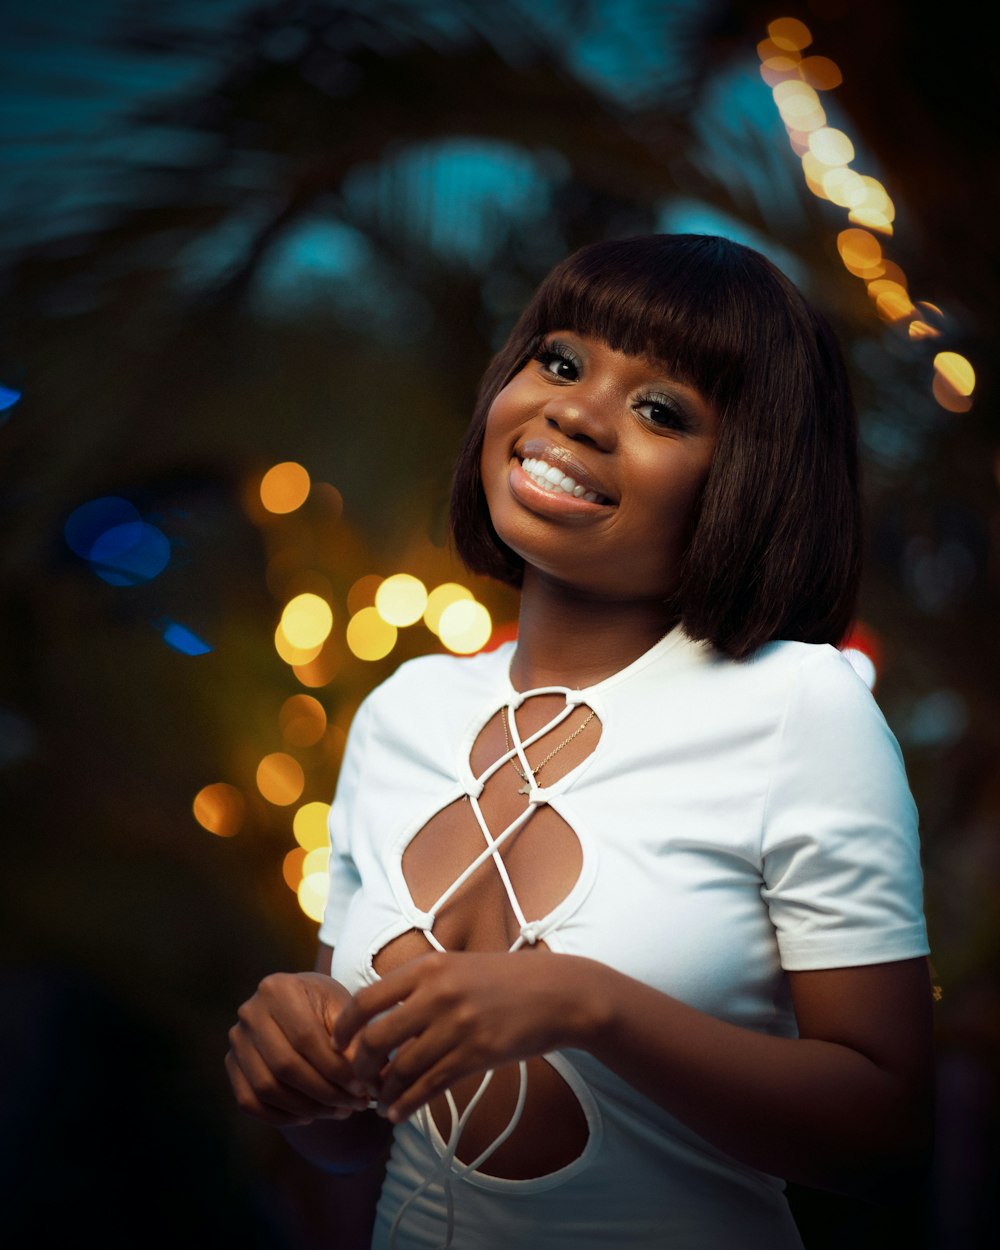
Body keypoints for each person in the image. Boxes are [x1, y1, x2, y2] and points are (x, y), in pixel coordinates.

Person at [225, 234, 932, 1249]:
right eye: (559, 361)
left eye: (660, 410)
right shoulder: (404, 710)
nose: (575, 411)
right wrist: (303, 1067)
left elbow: (887, 1134)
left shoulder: (796, 704)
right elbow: (361, 1134)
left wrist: (593, 1004)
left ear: (746, 474)